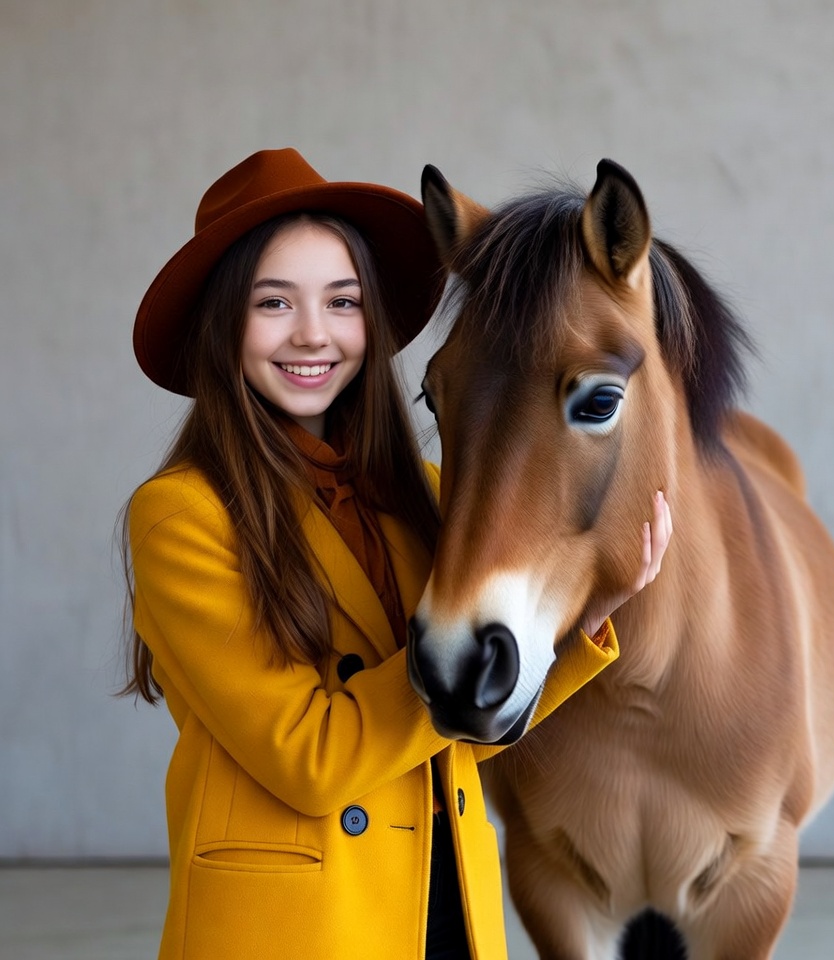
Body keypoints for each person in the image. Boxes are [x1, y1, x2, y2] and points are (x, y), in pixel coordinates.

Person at [121, 148, 672, 960]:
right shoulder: (181, 516)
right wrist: (448, 661)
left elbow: (471, 732)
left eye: (341, 302)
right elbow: (311, 759)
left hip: (446, 912)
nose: (313, 333)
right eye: (274, 302)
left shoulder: (427, 493)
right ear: (222, 323)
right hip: (298, 931)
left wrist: (591, 615)